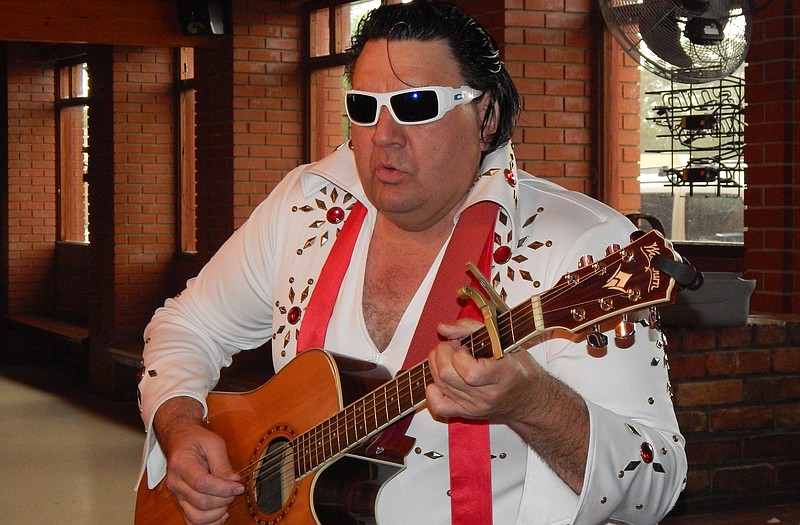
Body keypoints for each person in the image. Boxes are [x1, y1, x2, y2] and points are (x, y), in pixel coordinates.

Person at [136, 1, 687, 524]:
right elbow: (187, 326)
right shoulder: (307, 205)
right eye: (364, 107)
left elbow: (654, 487)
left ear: (486, 114)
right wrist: (180, 425)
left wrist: (533, 402)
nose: (384, 137)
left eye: (417, 106)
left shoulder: (586, 248)